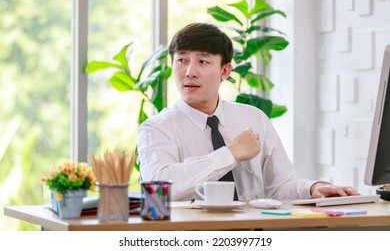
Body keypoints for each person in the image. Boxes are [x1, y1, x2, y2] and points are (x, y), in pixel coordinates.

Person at [137, 22, 359, 201]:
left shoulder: (253, 118)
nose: (189, 72)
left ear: (225, 70)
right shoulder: (157, 128)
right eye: (182, 60)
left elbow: (278, 188)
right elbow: (159, 191)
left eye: (203, 61)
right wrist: (230, 153)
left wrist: (313, 188)